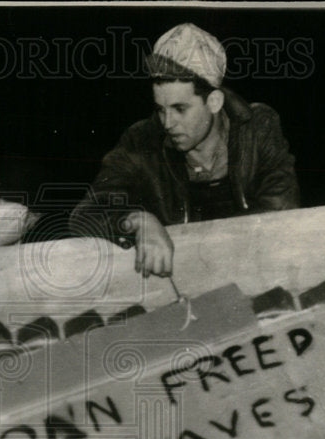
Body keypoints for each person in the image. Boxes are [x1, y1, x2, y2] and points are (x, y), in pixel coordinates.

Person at [70, 23, 299, 277]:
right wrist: (137, 221)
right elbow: (85, 214)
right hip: (180, 281)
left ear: (214, 102)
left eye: (180, 109)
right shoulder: (141, 140)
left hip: (256, 269)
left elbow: (282, 211)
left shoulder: (258, 126)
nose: (167, 123)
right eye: (161, 109)